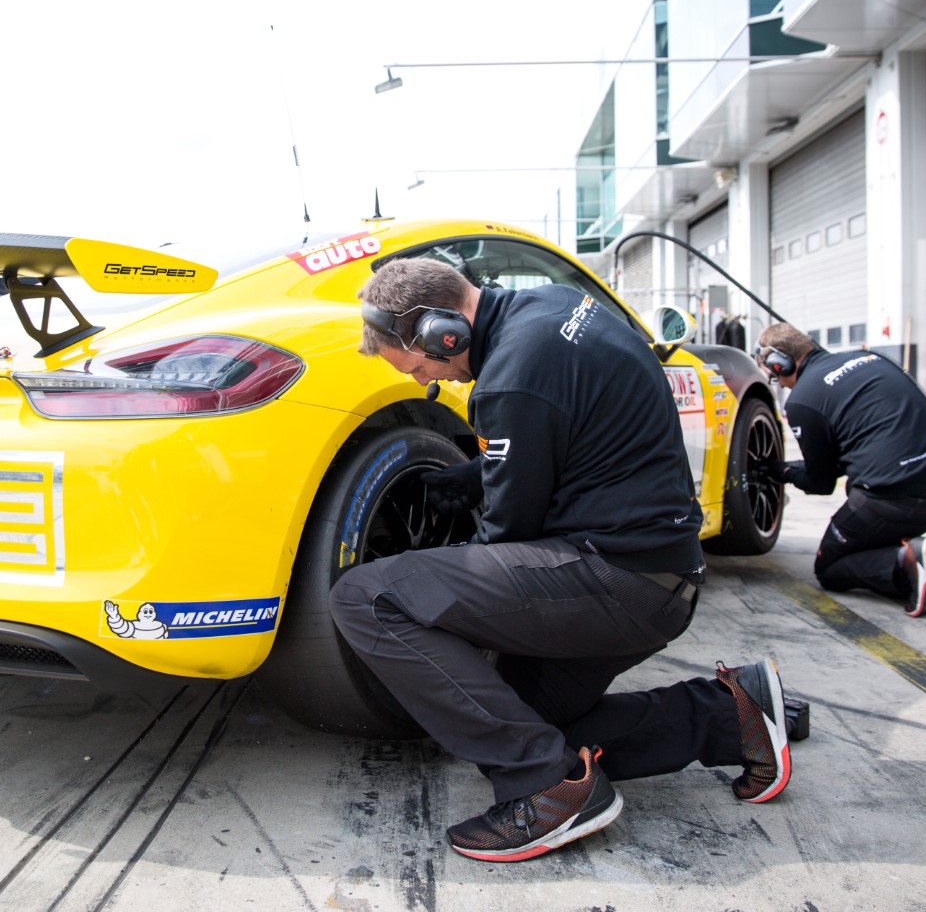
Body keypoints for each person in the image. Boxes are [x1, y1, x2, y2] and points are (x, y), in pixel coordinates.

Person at [330, 258, 791, 863]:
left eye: (421, 366)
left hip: (617, 582)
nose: (425, 383)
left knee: (368, 597)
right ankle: (729, 715)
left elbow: (506, 535)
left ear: (445, 330)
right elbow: (577, 434)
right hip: (662, 575)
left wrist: (436, 577)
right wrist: (480, 473)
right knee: (516, 726)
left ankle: (546, 792)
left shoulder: (512, 378)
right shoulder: (552, 307)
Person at [754, 323, 926, 618]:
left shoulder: (803, 400)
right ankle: (908, 551)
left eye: (776, 373)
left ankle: (904, 560)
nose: (779, 380)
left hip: (892, 499)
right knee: (873, 526)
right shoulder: (871, 358)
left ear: (780, 363)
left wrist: (782, 472)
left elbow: (820, 481)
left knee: (829, 568)